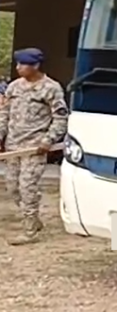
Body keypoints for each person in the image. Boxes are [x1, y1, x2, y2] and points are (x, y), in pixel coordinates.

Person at [1, 48, 69, 245]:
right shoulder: (13, 87)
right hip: (14, 146)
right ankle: (34, 220)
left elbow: (60, 117)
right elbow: (4, 114)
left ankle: (30, 230)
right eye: (18, 64)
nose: (18, 68)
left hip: (35, 146)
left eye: (23, 64)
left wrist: (49, 139)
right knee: (13, 188)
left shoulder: (51, 88)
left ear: (36, 66)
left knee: (28, 187)